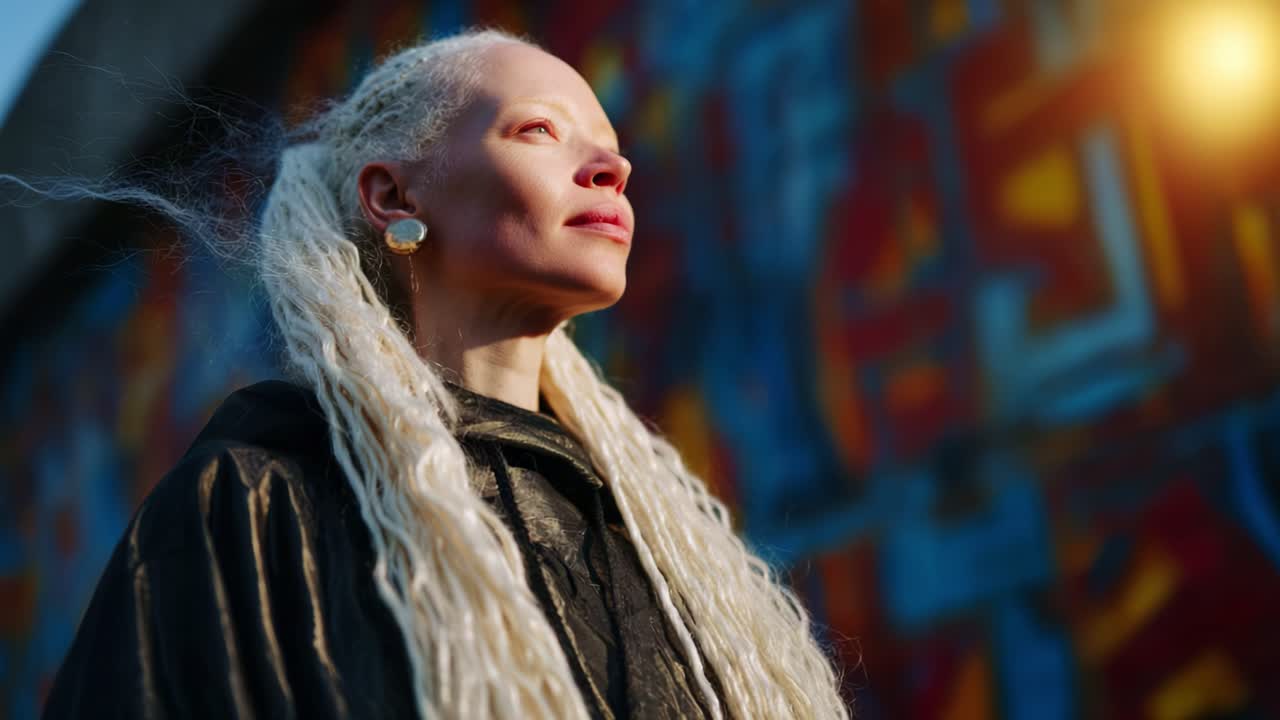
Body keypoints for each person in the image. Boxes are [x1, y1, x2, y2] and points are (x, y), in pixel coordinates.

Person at [39, 29, 850, 720]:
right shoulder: (255, 508)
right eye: (539, 131)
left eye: (608, 142)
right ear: (394, 196)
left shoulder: (663, 542)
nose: (611, 166)